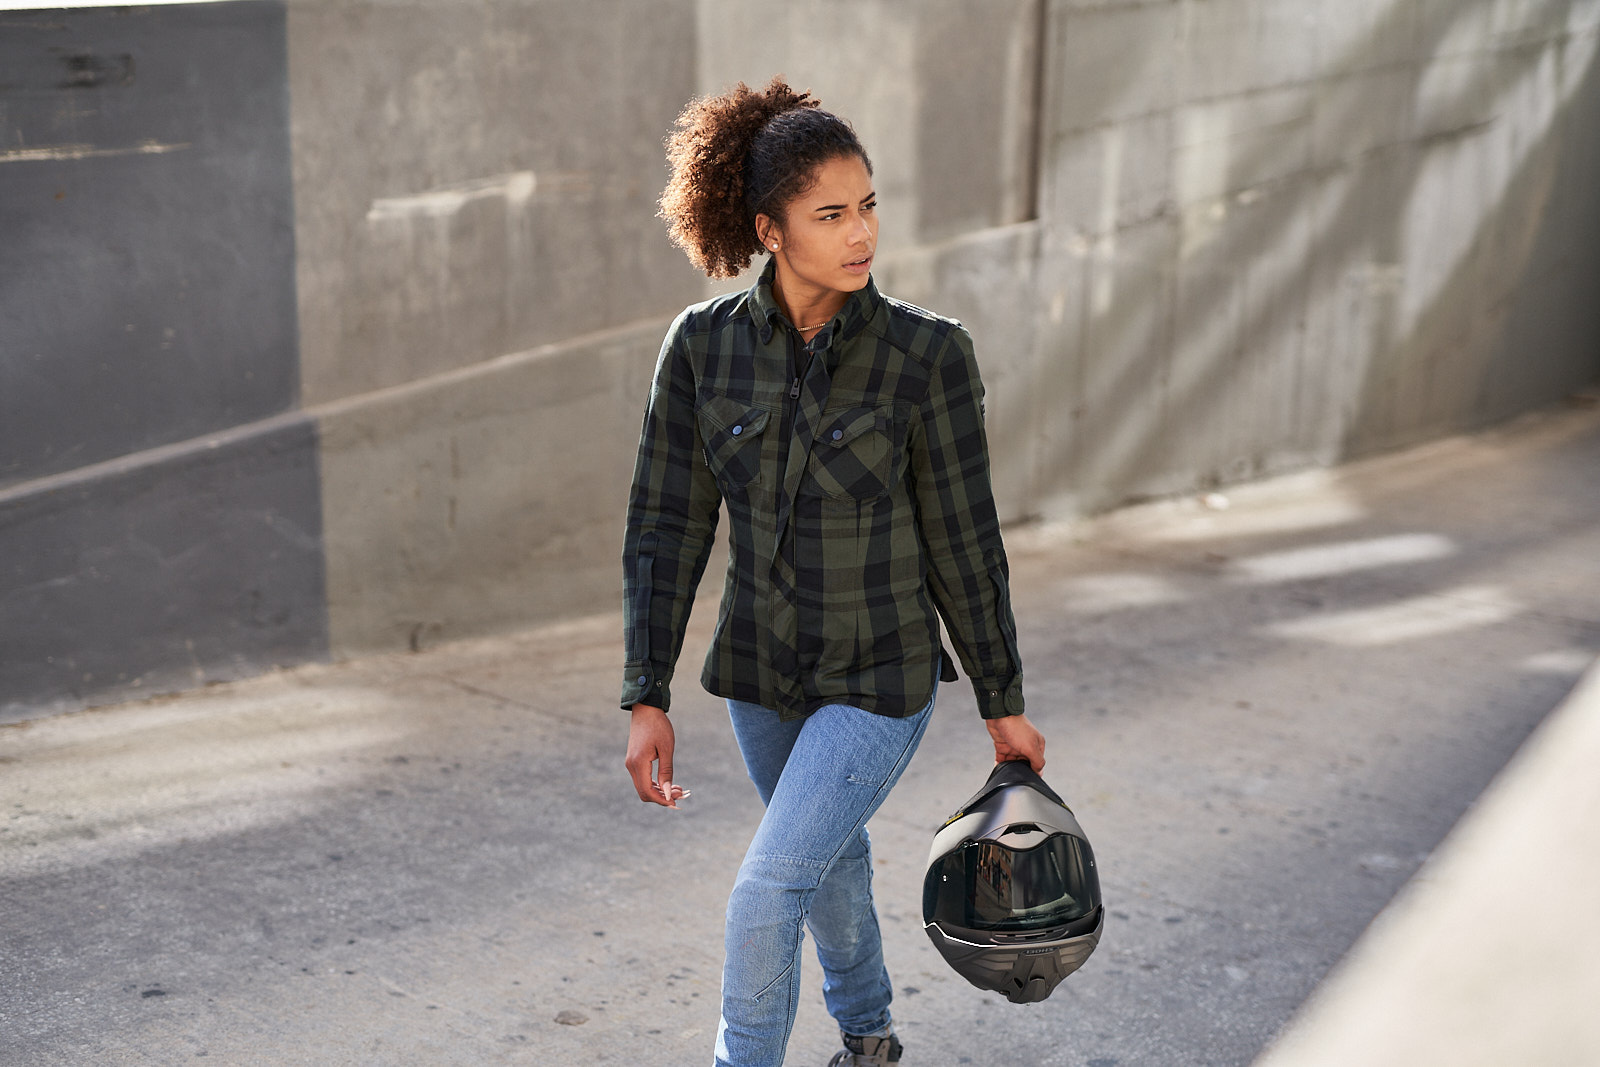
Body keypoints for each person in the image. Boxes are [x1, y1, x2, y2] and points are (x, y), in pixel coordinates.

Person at [621, 77, 1046, 1067]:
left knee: (767, 889)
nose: (861, 233)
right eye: (830, 214)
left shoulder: (927, 356)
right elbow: (665, 527)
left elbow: (964, 540)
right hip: (760, 677)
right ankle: (870, 1040)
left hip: (878, 678)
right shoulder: (702, 348)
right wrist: (646, 693)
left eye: (867, 205)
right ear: (769, 231)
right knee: (826, 866)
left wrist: (1002, 697)